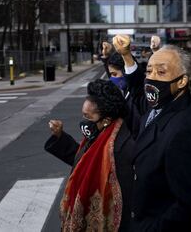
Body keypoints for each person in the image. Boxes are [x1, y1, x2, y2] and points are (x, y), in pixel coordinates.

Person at [112, 34, 191, 232]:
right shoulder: (163, 102)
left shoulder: (183, 129)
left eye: (161, 72)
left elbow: (189, 204)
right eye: (149, 70)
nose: (152, 77)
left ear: (182, 81)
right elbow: (140, 91)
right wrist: (127, 56)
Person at [44, 79, 136, 231]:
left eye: (88, 117)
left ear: (106, 120)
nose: (84, 122)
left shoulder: (122, 147)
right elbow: (83, 161)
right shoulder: (99, 133)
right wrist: (60, 136)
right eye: (83, 115)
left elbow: (124, 199)